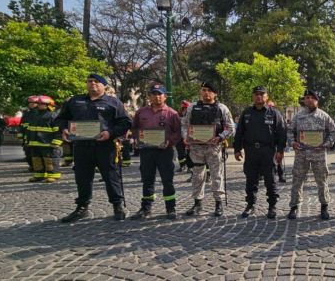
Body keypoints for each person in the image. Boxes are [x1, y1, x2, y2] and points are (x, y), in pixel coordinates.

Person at [57, 73, 132, 222]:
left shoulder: (113, 102)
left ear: (104, 85)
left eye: (97, 82)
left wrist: (110, 132)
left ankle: (117, 205)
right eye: (89, 81)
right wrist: (64, 128)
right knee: (82, 177)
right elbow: (61, 118)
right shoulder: (75, 101)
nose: (93, 84)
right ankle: (82, 207)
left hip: (105, 146)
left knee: (111, 176)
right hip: (81, 146)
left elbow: (125, 122)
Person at [233, 86, 286, 219]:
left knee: (270, 180)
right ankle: (250, 204)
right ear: (253, 96)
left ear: (267, 97)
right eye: (256, 94)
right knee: (251, 180)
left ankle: (272, 206)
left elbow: (281, 132)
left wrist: (280, 150)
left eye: (262, 94)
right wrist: (237, 149)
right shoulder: (246, 112)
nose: (259, 96)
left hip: (268, 151)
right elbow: (239, 132)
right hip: (251, 151)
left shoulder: (274, 113)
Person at [183, 82, 235, 217]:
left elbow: (231, 128)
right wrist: (185, 137)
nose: (206, 93)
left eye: (209, 90)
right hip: (196, 149)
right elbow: (185, 125)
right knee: (197, 175)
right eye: (203, 90)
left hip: (214, 148)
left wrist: (220, 137)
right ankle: (197, 203)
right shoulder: (192, 108)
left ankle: (219, 204)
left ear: (215, 93)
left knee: (216, 175)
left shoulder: (222, 108)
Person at [131, 84, 181, 220]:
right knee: (147, 180)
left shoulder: (172, 113)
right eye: (154, 94)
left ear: (165, 96)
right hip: (146, 151)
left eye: (160, 94)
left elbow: (178, 132)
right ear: (149, 96)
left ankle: (171, 208)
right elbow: (134, 128)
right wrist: (136, 138)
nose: (157, 96)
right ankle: (145, 208)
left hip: (165, 152)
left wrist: (169, 142)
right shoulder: (141, 112)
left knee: (167, 181)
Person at [286, 90, 335, 220]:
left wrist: (327, 144)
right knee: (297, 181)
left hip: (318, 154)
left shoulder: (324, 116)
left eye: (311, 98)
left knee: (322, 181)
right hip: (301, 154)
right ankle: (294, 206)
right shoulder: (298, 116)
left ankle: (324, 206)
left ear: (317, 100)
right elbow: (290, 131)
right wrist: (292, 143)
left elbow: (333, 131)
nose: (308, 100)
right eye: (306, 98)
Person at [26, 95, 62, 183]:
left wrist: (57, 141)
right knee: (36, 160)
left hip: (48, 143)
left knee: (50, 160)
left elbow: (58, 130)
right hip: (35, 143)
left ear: (48, 105)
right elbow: (30, 129)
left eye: (41, 104)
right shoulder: (34, 115)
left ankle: (53, 175)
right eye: (38, 103)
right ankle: (39, 175)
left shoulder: (53, 115)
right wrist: (28, 140)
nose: (38, 105)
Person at [17, 95, 39, 171]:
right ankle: (32, 166)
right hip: (27, 137)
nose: (31, 104)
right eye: (30, 103)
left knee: (36, 154)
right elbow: (22, 125)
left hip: (37, 137)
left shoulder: (39, 113)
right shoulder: (26, 113)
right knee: (28, 153)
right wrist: (20, 136)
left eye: (33, 103)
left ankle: (39, 168)